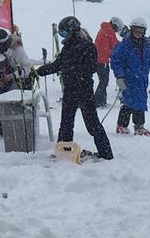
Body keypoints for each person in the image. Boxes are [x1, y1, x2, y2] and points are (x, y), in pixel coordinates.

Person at [34, 16, 113, 160]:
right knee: (66, 122)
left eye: (64, 33)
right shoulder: (68, 47)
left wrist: (75, 71)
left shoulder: (87, 46)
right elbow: (57, 65)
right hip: (70, 89)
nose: (63, 36)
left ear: (72, 30)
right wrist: (38, 72)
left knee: (92, 123)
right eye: (61, 34)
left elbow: (91, 68)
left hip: (83, 89)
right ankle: (63, 151)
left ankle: (106, 153)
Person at [110, 17, 150, 136]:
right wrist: (119, 76)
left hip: (141, 79)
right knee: (128, 103)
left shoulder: (147, 45)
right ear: (131, 30)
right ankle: (122, 125)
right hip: (128, 79)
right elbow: (116, 61)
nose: (138, 34)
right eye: (136, 30)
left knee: (140, 102)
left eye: (140, 31)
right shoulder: (124, 45)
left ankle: (139, 126)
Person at [93, 18, 121, 110]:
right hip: (102, 60)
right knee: (103, 81)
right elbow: (115, 44)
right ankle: (97, 101)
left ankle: (101, 101)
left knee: (103, 81)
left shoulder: (104, 29)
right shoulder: (109, 31)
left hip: (98, 59)